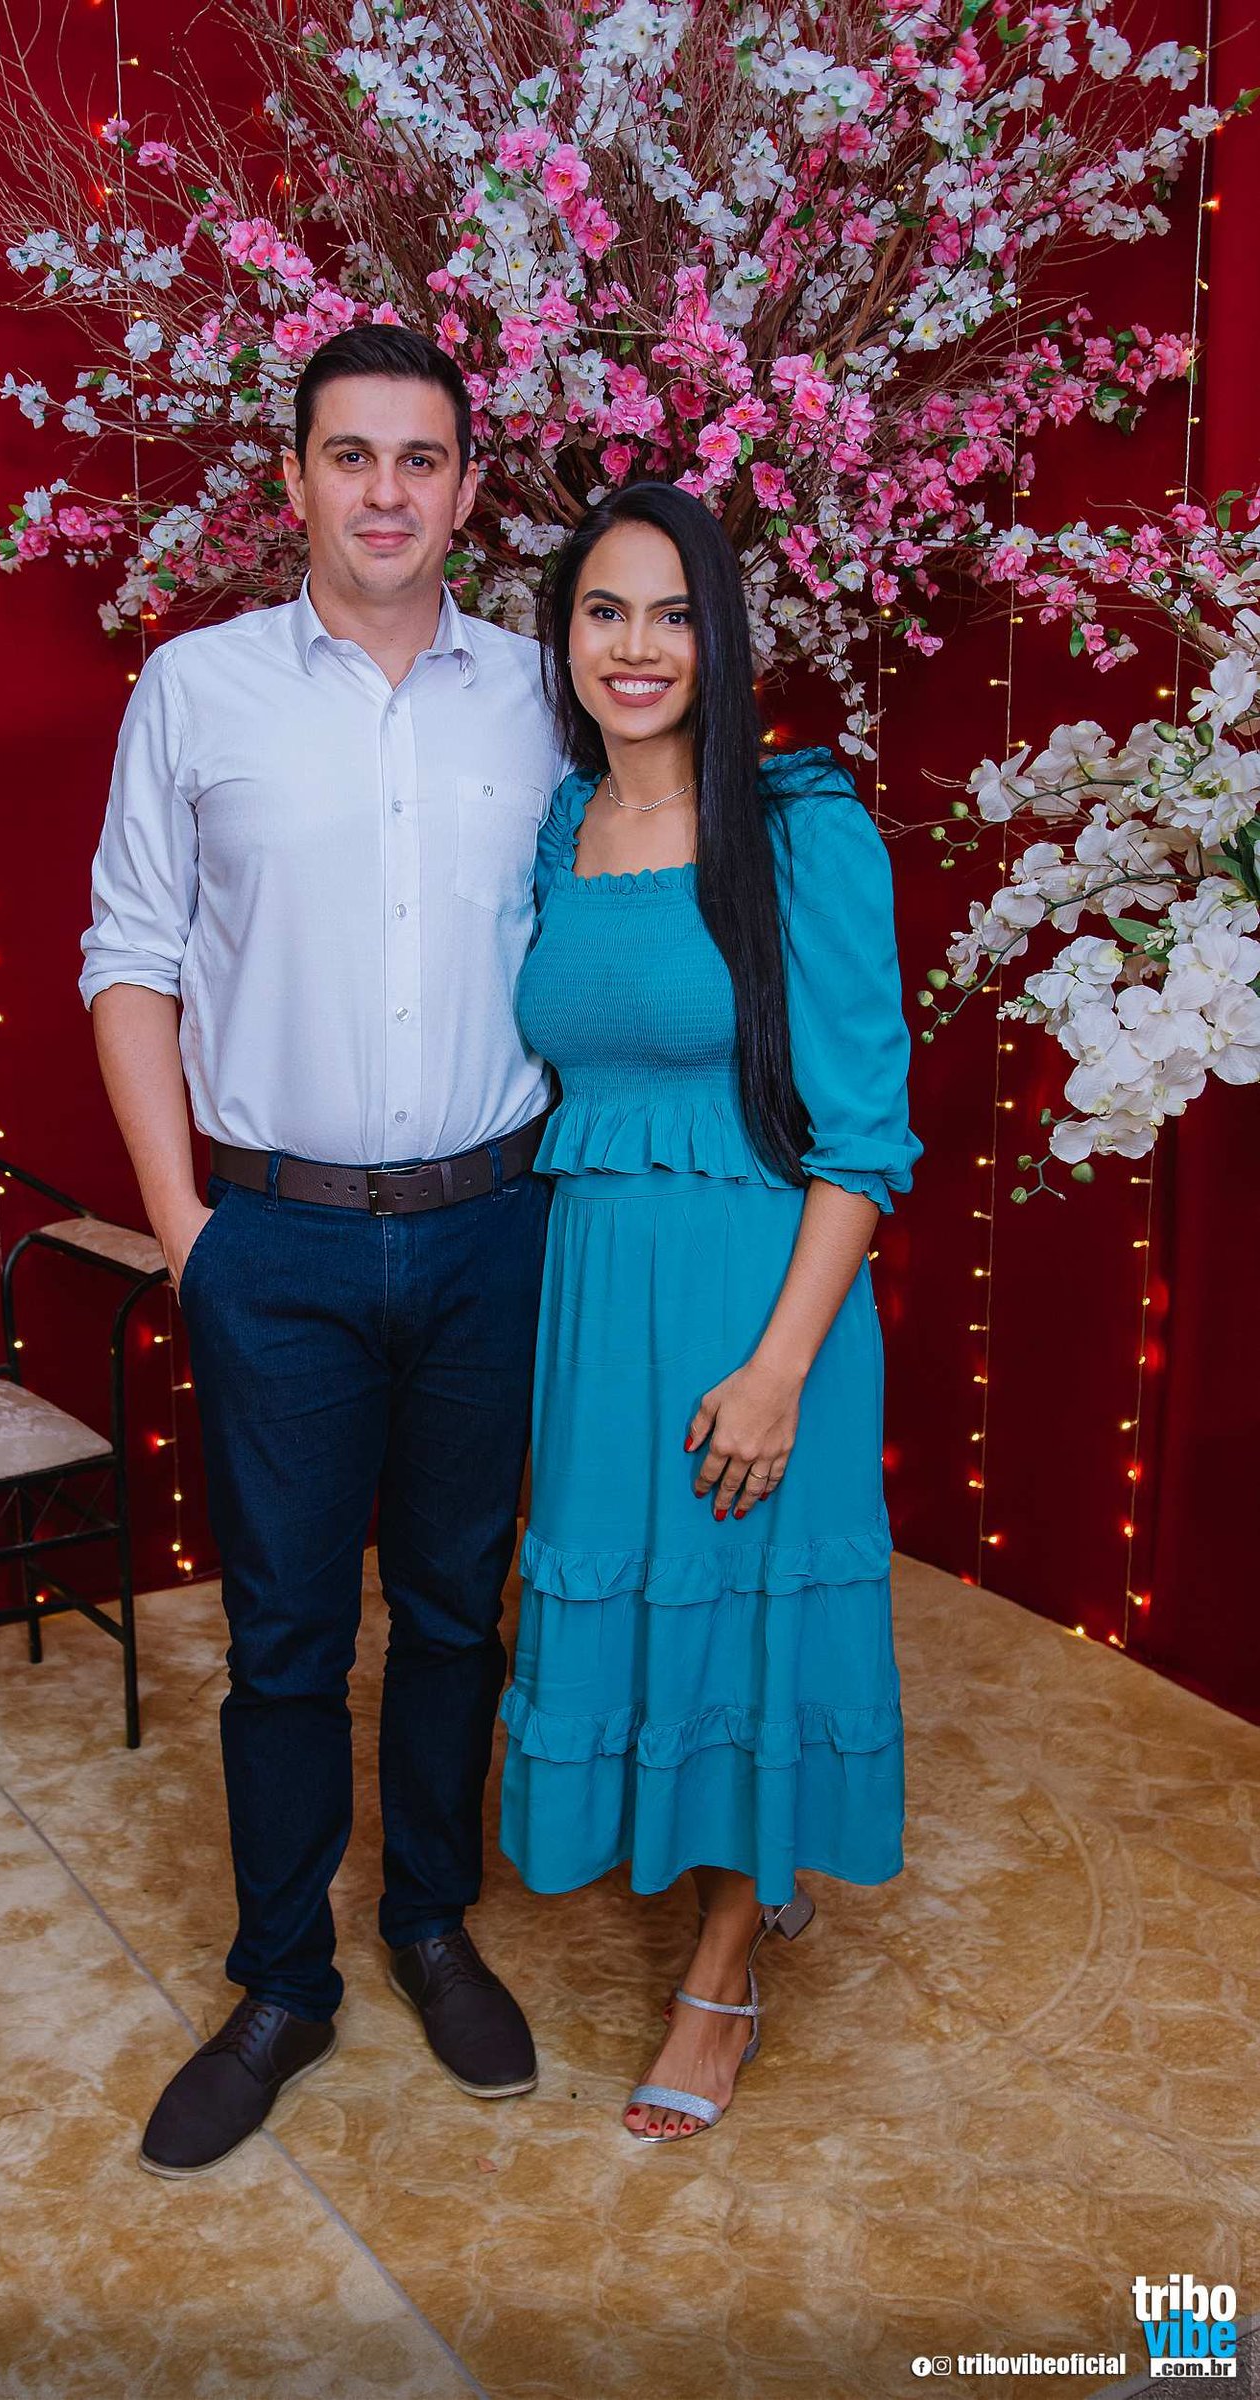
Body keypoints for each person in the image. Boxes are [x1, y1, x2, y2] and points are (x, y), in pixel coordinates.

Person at [79, 327, 564, 2176]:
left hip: (492, 1229)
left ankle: (430, 1922)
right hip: (269, 1240)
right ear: (291, 481)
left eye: (420, 459)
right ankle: (284, 1982)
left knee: (454, 1609)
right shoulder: (195, 689)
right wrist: (184, 1232)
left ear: (468, 488)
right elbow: (130, 956)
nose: (385, 491)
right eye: (349, 455)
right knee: (283, 1636)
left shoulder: (543, 692)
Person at [499, 481, 922, 2141]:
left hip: (761, 1301)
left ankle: (724, 1973)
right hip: (599, 1304)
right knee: (650, 1606)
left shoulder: (802, 825)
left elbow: (865, 1136)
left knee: (750, 1612)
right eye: (604, 611)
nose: (638, 647)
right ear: (563, 635)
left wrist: (781, 1368)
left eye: (674, 614)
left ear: (723, 636)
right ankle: (740, 1872)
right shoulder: (559, 827)